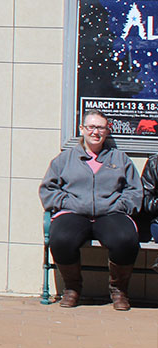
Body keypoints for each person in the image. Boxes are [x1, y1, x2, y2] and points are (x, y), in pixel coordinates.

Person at [39, 109, 142, 311]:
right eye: (91, 127)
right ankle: (72, 289)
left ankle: (119, 290)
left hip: (111, 214)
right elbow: (48, 189)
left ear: (107, 131)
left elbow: (135, 191)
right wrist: (67, 202)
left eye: (101, 128)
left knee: (125, 239)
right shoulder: (65, 159)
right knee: (60, 239)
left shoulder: (120, 159)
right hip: (74, 213)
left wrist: (119, 205)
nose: (96, 132)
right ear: (82, 129)